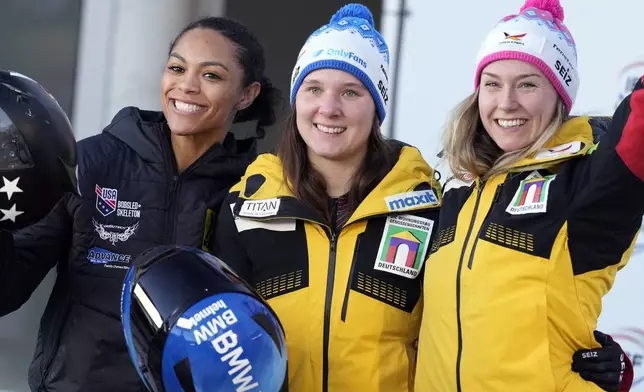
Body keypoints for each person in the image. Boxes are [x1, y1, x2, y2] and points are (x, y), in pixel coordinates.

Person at [0, 16, 279, 392]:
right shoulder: (92, 163)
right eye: (177, 68)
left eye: (211, 76)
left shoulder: (253, 190)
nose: (187, 85)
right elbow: (7, 289)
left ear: (246, 94)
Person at [414, 0, 644, 390]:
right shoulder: (453, 194)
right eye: (493, 84)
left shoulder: (586, 183)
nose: (506, 103)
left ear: (559, 95)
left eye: (527, 84)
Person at [212, 4, 442, 391]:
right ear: (297, 98)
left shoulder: (428, 207)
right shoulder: (243, 207)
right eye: (314, 89)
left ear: (376, 106)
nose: (329, 109)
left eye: (350, 92)